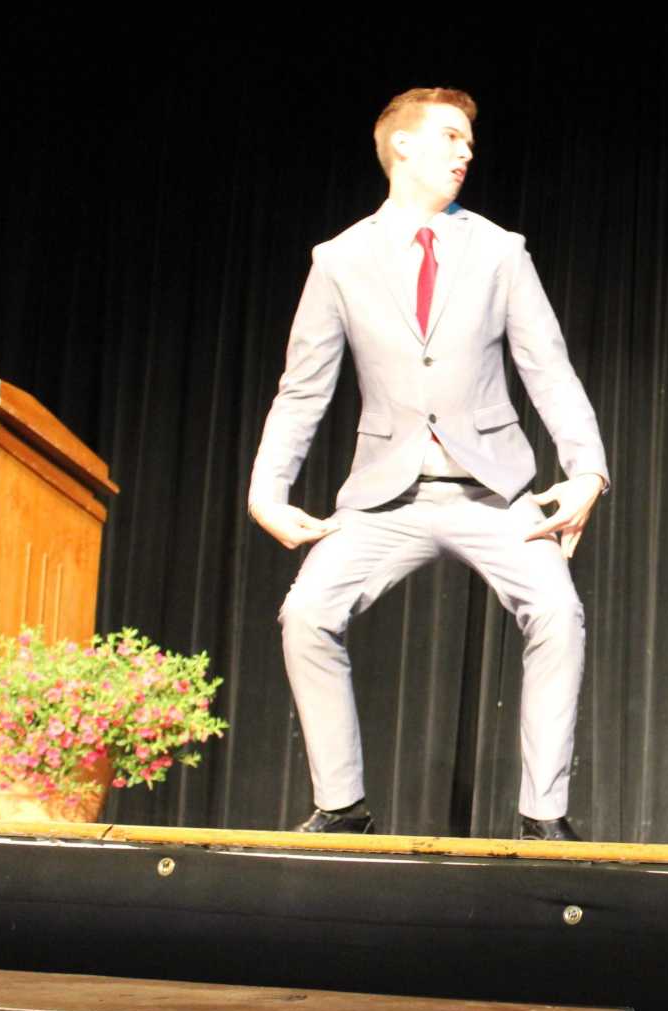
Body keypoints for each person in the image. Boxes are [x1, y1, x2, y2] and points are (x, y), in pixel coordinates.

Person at [248, 88, 610, 841]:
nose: (466, 151)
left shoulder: (500, 250)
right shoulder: (339, 260)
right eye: (450, 136)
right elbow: (302, 388)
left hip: (494, 491)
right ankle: (343, 805)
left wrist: (587, 470)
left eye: (469, 140)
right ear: (402, 146)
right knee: (306, 613)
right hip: (386, 495)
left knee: (558, 611)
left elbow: (548, 367)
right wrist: (267, 490)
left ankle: (543, 815)